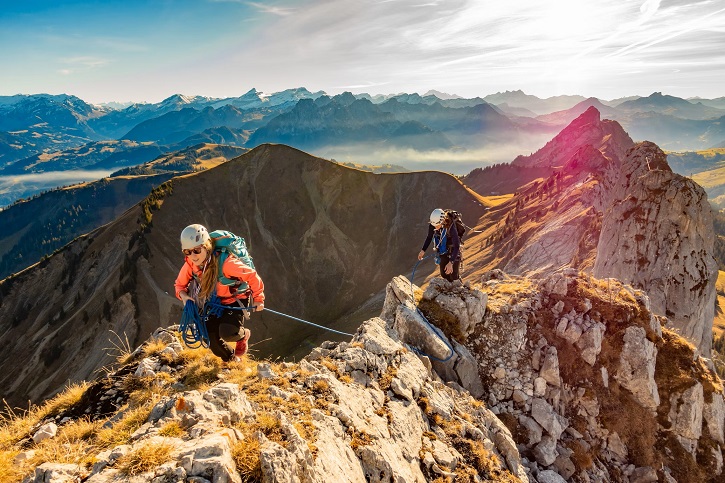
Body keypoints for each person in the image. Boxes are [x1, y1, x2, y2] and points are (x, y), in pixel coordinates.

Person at [174, 224, 265, 362]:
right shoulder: (191, 265)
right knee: (210, 339)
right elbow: (179, 285)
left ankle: (242, 336)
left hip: (236, 298)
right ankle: (232, 361)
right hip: (214, 302)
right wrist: (185, 297)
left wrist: (258, 298)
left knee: (228, 332)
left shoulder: (227, 263)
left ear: (206, 246)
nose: (193, 255)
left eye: (197, 250)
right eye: (187, 252)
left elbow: (252, 276)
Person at [418, 208, 461, 282]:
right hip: (443, 250)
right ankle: (448, 290)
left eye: (437, 225)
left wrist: (451, 262)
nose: (435, 227)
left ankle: (459, 289)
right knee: (444, 274)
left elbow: (457, 246)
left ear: (442, 221)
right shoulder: (433, 224)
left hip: (453, 250)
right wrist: (423, 250)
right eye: (434, 225)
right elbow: (429, 237)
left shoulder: (450, 227)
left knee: (454, 276)